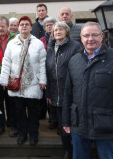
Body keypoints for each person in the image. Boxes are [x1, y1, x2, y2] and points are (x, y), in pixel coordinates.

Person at [62, 22, 113, 159]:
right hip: (79, 125)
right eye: (86, 35)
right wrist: (67, 120)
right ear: (81, 37)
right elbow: (68, 93)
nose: (90, 39)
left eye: (94, 35)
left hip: (106, 126)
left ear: (101, 36)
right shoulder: (74, 60)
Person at [0, 16, 46, 146]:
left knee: (33, 112)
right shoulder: (12, 43)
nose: (24, 26)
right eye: (22, 24)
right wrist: (4, 80)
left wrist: (43, 80)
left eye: (27, 24)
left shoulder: (38, 43)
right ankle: (22, 134)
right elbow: (6, 63)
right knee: (19, 112)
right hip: (17, 84)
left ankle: (33, 134)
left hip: (33, 83)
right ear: (18, 27)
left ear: (31, 27)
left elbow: (42, 63)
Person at [45, 21, 82, 159]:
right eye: (55, 30)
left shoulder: (75, 47)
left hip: (73, 94)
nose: (57, 32)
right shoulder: (51, 49)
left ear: (66, 31)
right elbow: (48, 72)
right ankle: (67, 150)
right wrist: (48, 93)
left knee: (75, 124)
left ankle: (78, 150)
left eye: (60, 29)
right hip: (56, 94)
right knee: (62, 125)